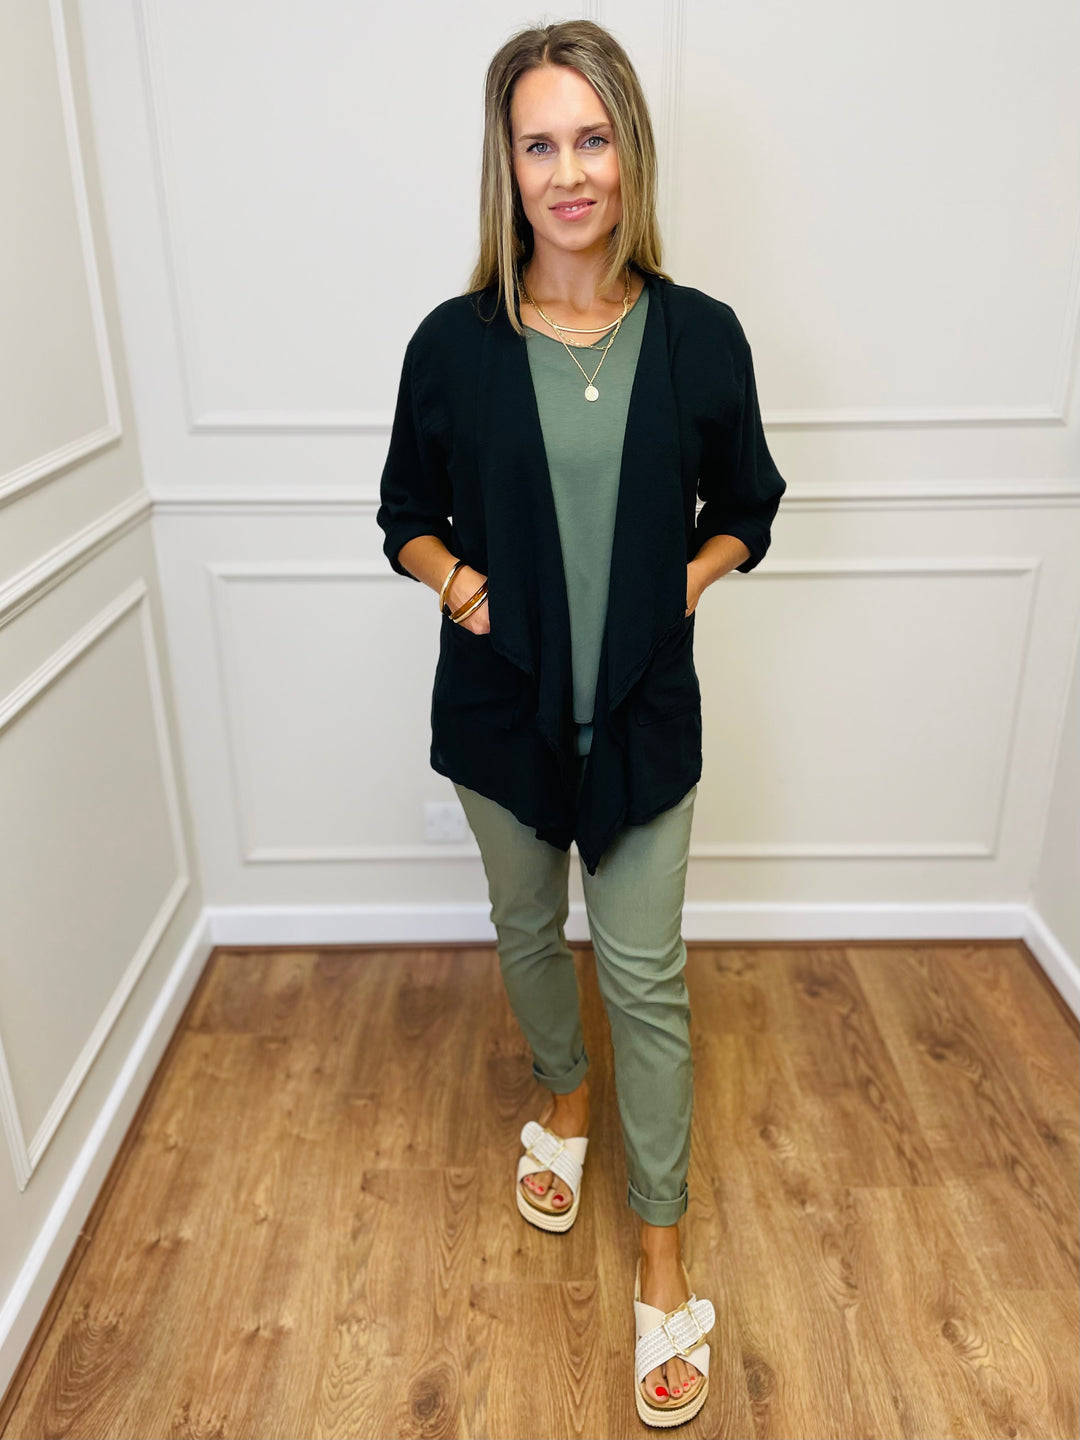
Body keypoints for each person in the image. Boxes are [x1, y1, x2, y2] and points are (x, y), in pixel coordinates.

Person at [376, 18, 785, 1428]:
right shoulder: (454, 344)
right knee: (525, 931)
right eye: (540, 143)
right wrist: (463, 586)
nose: (569, 173)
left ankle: (662, 1252)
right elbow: (403, 516)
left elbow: (750, 506)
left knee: (647, 976)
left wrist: (685, 581)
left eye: (593, 138)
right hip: (501, 712)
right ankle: (562, 1092)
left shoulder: (701, 336)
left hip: (644, 713)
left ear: (630, 154)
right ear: (507, 166)